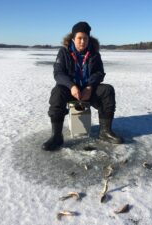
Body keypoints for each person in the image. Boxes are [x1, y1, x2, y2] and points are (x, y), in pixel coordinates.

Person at [42, 21, 123, 151]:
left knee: (107, 90)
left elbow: (99, 73)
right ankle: (56, 136)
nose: (82, 41)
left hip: (88, 91)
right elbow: (58, 73)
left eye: (85, 38)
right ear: (73, 38)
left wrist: (90, 87)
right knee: (57, 92)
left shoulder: (94, 53)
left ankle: (105, 132)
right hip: (70, 91)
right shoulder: (63, 52)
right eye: (79, 38)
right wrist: (71, 86)